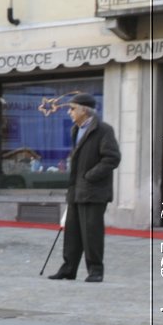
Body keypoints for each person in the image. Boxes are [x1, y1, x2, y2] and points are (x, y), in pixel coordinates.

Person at [49, 92, 121, 283]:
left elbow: (112, 158)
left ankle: (95, 270)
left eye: (72, 109)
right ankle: (68, 269)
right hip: (76, 189)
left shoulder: (104, 130)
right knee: (72, 232)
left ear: (84, 111)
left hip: (94, 191)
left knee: (92, 233)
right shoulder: (76, 129)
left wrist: (90, 176)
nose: (70, 113)